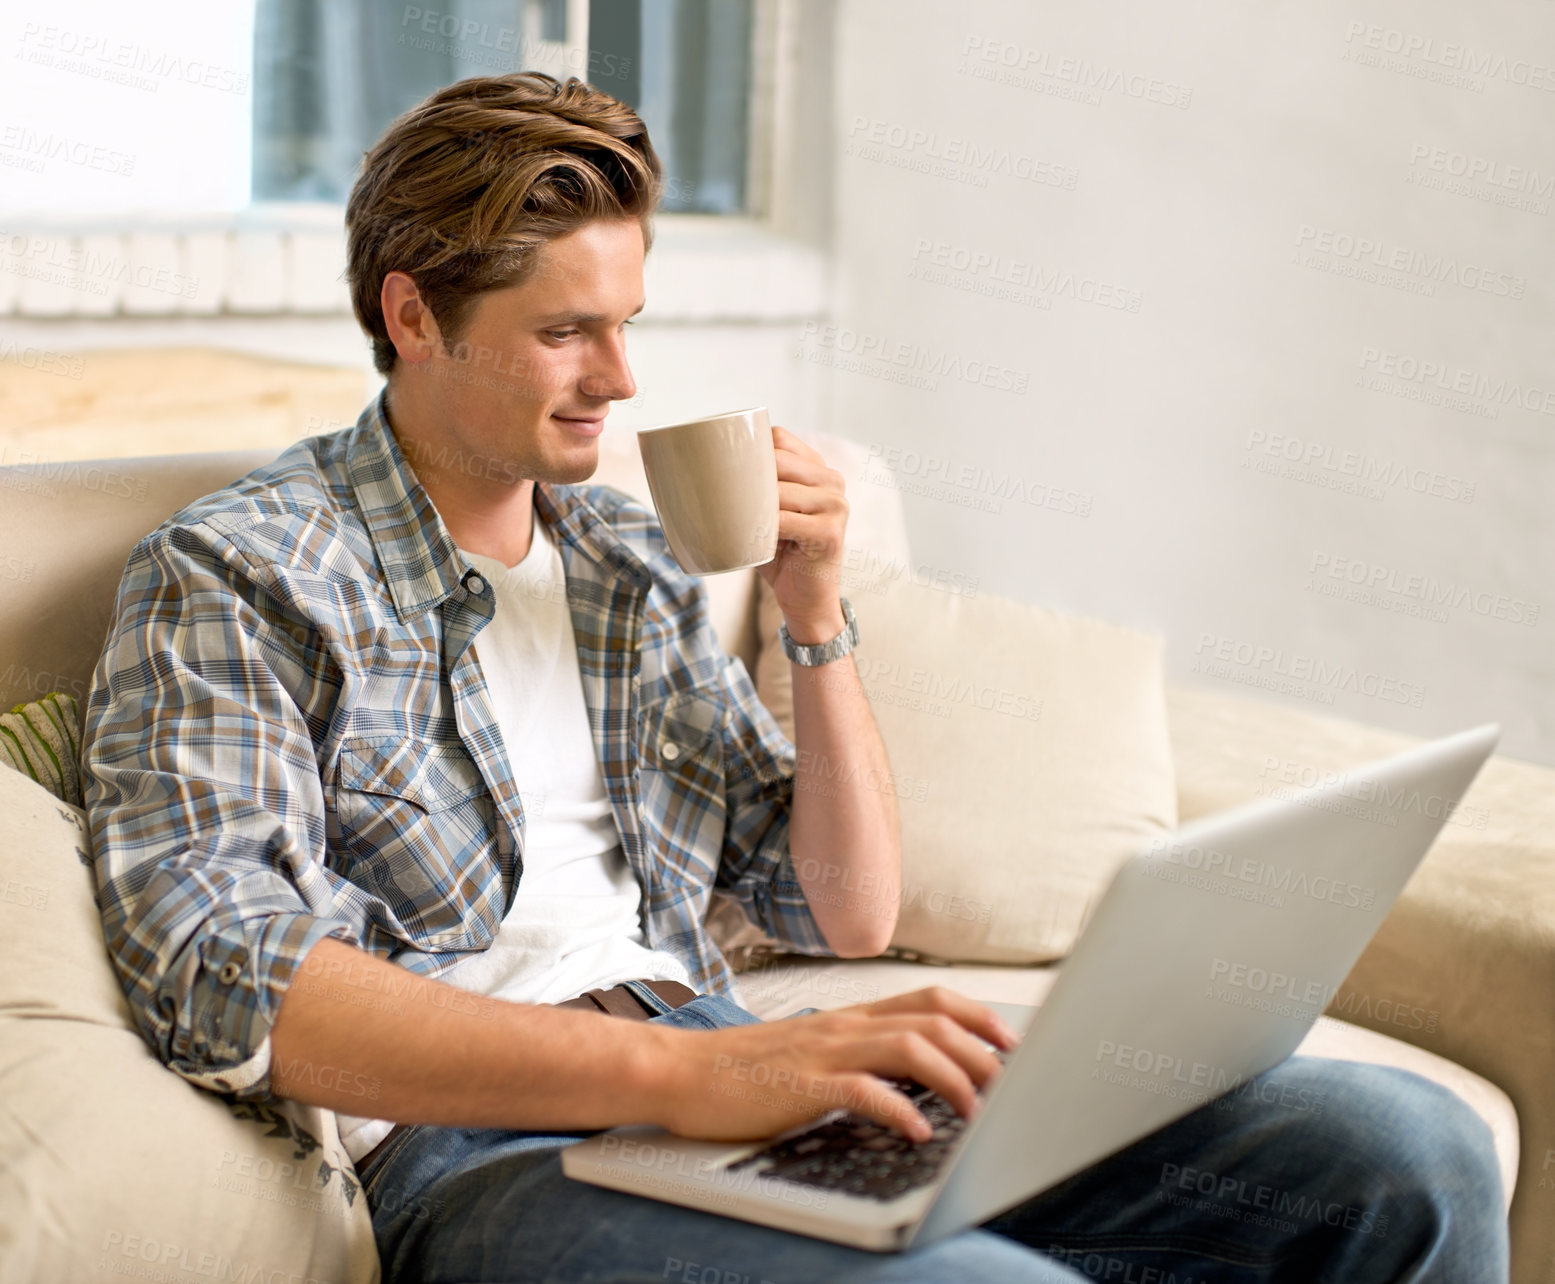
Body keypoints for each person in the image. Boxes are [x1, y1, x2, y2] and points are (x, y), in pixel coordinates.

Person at [82, 72, 1507, 1283]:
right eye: (566, 332)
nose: (620, 380)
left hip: (722, 1069)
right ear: (411, 315)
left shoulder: (625, 566)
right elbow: (229, 982)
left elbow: (844, 902)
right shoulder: (242, 576)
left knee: (1404, 1156)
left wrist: (814, 616)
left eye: (628, 322)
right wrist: (693, 1078)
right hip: (490, 1156)